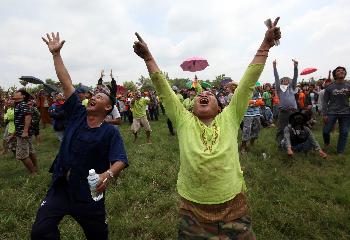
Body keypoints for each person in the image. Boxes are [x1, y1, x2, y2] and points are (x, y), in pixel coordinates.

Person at [133, 16, 281, 239]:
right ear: (190, 107)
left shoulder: (230, 117)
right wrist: (148, 57)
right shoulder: (184, 121)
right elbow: (163, 89)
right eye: (200, 94)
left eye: (209, 95)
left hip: (233, 205)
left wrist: (266, 45)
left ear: (220, 108)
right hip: (193, 209)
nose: (203, 94)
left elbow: (248, 82)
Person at [31, 32, 128, 240]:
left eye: (99, 96)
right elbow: (66, 83)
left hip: (88, 195)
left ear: (109, 107)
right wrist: (56, 55)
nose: (93, 97)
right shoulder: (77, 113)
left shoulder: (110, 132)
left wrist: (107, 175)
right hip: (61, 188)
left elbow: (120, 160)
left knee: (98, 236)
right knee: (40, 231)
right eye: (93, 95)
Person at [322, 66, 350, 155]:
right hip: (331, 112)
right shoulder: (330, 87)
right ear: (335, 74)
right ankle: (327, 143)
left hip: (346, 113)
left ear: (345, 74)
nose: (341, 71)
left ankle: (340, 152)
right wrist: (324, 114)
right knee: (326, 131)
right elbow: (325, 101)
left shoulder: (348, 86)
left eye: (343, 71)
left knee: (344, 132)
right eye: (338, 71)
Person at [273, 59, 298, 146]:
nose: (286, 80)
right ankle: (280, 144)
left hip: (293, 111)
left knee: (293, 127)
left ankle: (291, 144)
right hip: (283, 112)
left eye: (287, 79)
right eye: (284, 79)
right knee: (281, 129)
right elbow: (276, 78)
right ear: (281, 82)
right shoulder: (279, 89)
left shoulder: (292, 88)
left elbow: (295, 77)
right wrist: (274, 67)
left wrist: (295, 67)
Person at [13, 89, 38, 174]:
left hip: (24, 133)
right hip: (23, 132)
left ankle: (33, 173)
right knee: (30, 151)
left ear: (23, 96)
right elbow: (19, 120)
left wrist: (25, 131)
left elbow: (28, 116)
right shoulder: (19, 104)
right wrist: (15, 133)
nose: (14, 93)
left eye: (17, 92)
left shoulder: (22, 104)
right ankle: (35, 168)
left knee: (22, 155)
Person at [240, 82, 264, 153]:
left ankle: (251, 143)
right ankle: (243, 146)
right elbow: (244, 101)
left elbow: (260, 102)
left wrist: (253, 102)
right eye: (256, 87)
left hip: (256, 113)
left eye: (257, 87)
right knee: (246, 129)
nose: (256, 89)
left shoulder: (258, 92)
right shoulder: (245, 92)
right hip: (247, 114)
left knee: (257, 128)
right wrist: (255, 102)